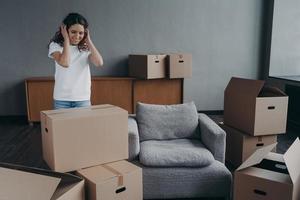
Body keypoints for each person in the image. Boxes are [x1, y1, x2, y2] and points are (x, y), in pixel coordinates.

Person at [48, 13, 103, 109]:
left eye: (81, 33)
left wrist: (88, 40)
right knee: (62, 125)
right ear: (65, 30)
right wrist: (66, 40)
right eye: (73, 32)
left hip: (82, 99)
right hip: (62, 99)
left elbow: (99, 63)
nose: (77, 36)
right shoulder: (55, 46)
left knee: (83, 125)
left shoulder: (85, 48)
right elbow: (65, 63)